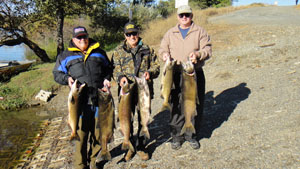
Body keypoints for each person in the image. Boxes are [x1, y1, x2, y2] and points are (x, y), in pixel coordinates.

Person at [53, 26, 113, 169]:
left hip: (100, 99)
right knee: (81, 136)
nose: (82, 39)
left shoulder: (99, 52)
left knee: (98, 133)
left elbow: (108, 68)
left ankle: (94, 161)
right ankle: (81, 165)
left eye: (84, 36)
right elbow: (56, 73)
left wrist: (106, 78)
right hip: (79, 102)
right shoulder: (64, 55)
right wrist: (66, 79)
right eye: (79, 37)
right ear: (73, 39)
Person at [159, 5, 212, 150]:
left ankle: (191, 136)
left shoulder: (200, 31)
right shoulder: (170, 33)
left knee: (194, 105)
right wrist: (164, 54)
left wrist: (198, 55)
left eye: (187, 15)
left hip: (193, 73)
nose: (184, 18)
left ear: (191, 15)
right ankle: (176, 136)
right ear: (177, 17)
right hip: (174, 73)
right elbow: (162, 48)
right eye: (181, 15)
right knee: (176, 105)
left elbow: (207, 49)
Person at [111, 22, 160, 161]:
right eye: (129, 34)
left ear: (138, 33)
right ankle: (130, 145)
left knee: (142, 117)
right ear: (124, 36)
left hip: (143, 90)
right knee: (126, 118)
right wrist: (120, 78)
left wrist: (150, 73)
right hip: (126, 92)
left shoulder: (147, 49)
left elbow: (156, 66)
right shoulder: (118, 51)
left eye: (134, 33)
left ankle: (141, 146)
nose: (132, 36)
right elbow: (115, 69)